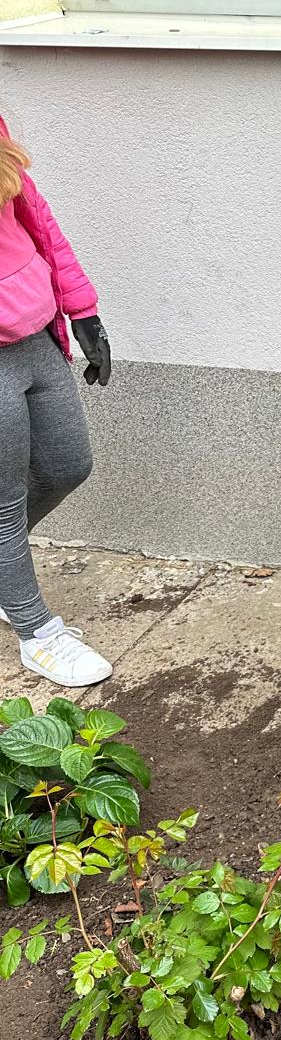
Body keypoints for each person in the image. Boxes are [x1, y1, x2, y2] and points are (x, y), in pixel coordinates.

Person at [0, 112, 112, 686]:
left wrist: (82, 308)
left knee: (69, 464)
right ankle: (36, 632)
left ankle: (6, 576)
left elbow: (35, 216)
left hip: (35, 331)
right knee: (3, 503)